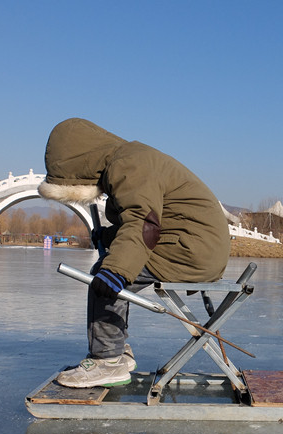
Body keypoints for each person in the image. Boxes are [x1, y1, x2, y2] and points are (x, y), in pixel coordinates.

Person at [38, 118, 230, 388]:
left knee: (102, 281)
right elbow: (153, 220)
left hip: (191, 251)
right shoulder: (129, 158)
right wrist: (106, 236)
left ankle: (107, 360)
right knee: (111, 270)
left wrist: (115, 271)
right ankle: (118, 353)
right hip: (194, 246)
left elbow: (143, 223)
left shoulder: (128, 165)